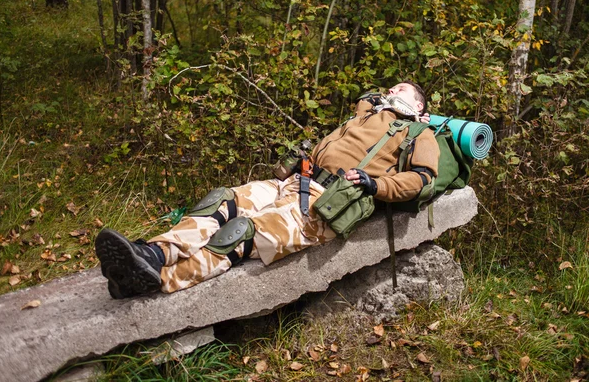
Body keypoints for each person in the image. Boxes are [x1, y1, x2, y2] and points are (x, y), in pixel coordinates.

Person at [95, 81, 440, 299]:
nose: (392, 91)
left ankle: (158, 279)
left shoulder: (419, 135)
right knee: (221, 201)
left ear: (419, 107)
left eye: (402, 90)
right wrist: (388, 100)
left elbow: (423, 179)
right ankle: (152, 254)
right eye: (392, 88)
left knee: (241, 233)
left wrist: (375, 183)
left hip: (323, 205)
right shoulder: (367, 112)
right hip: (290, 181)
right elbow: (367, 97)